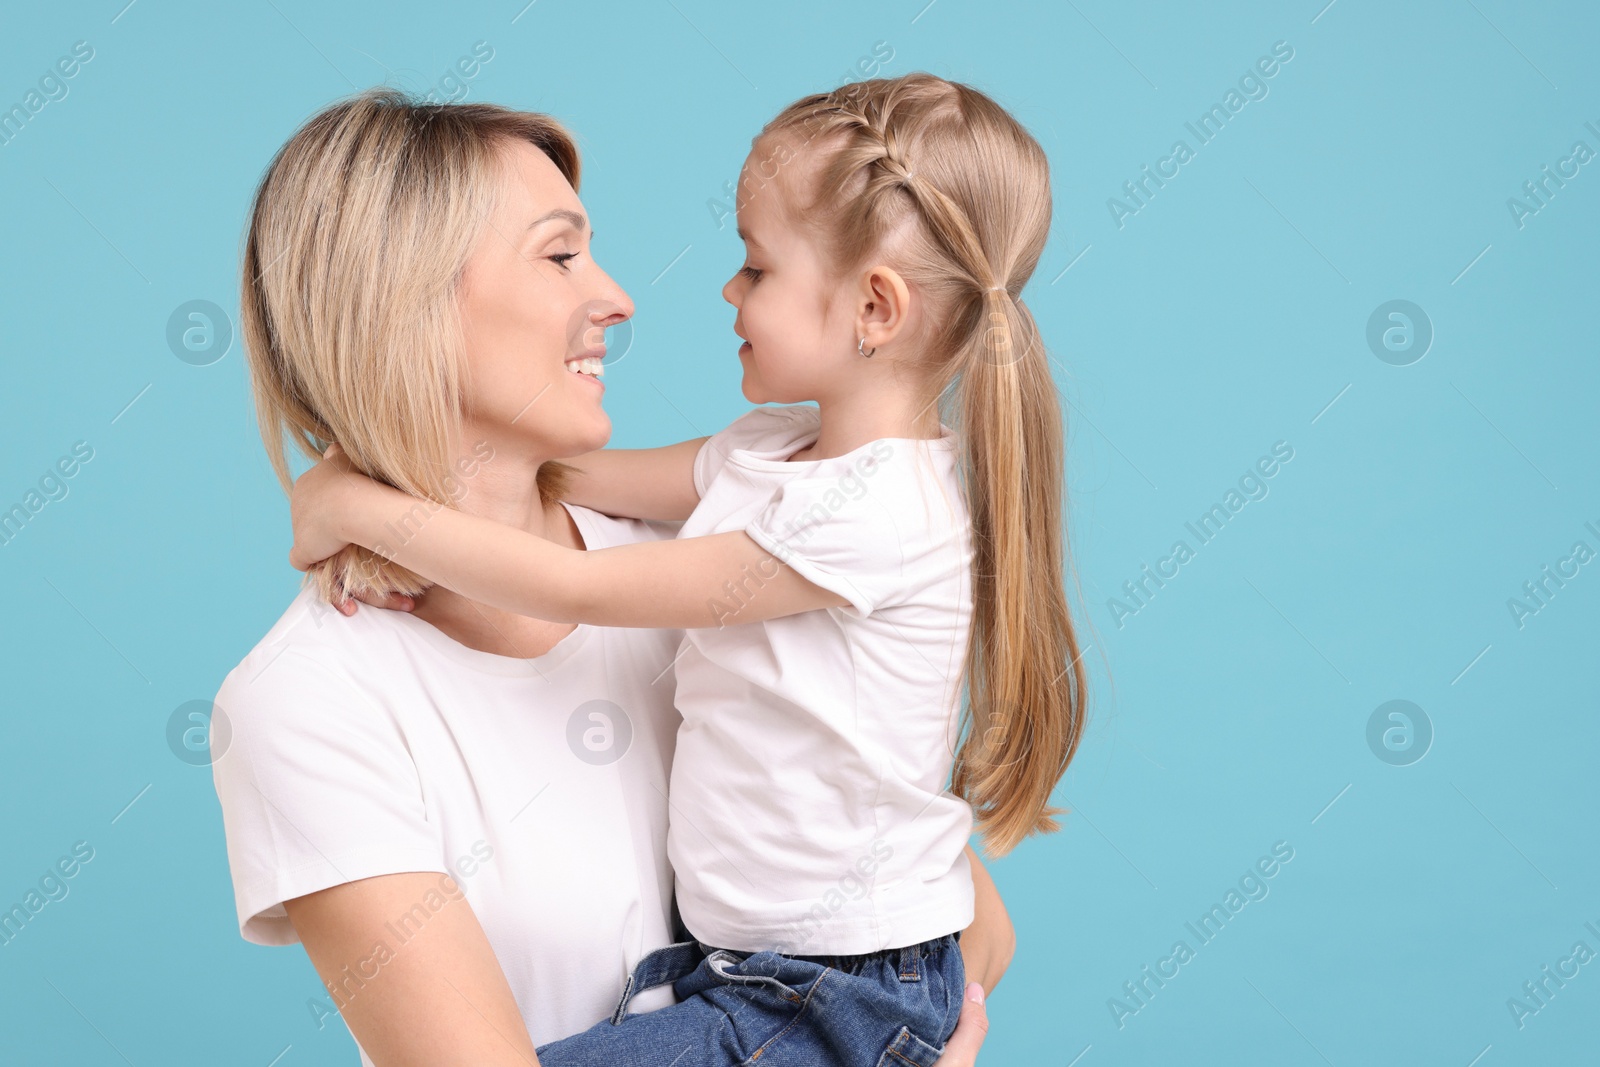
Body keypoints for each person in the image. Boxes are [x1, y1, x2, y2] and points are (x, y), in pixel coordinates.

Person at [288, 73, 1087, 1066]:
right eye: (559, 255)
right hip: (752, 967)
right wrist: (389, 460)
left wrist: (351, 505)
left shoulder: (875, 512)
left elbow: (578, 591)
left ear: (875, 307)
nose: (721, 290)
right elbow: (573, 473)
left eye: (756, 268)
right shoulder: (763, 455)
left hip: (828, 986)